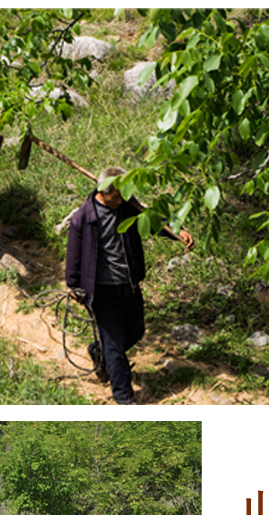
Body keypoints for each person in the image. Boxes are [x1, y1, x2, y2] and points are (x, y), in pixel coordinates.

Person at [65, 166, 195, 404]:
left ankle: (99, 351)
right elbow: (73, 254)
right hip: (102, 290)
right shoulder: (84, 217)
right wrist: (74, 284)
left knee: (135, 331)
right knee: (115, 345)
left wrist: (177, 232)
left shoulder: (129, 207)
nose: (122, 198)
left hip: (130, 285)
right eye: (117, 195)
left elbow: (153, 220)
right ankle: (124, 398)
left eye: (125, 193)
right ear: (104, 192)